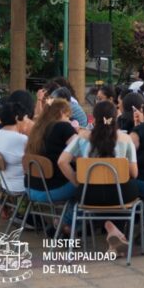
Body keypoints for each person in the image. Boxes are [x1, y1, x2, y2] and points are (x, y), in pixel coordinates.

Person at [58, 105, 138, 254]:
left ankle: (111, 229)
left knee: (95, 201)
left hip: (88, 194)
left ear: (94, 119)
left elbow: (62, 161)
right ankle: (114, 234)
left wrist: (77, 182)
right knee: (127, 189)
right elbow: (134, 173)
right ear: (115, 118)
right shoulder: (126, 139)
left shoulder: (82, 137)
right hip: (119, 195)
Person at [25, 98, 81, 208]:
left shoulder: (36, 129)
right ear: (61, 112)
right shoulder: (63, 127)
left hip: (31, 188)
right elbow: (81, 152)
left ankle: (68, 215)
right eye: (68, 116)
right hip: (53, 189)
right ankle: (71, 217)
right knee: (89, 184)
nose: (69, 120)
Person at [0, 99, 33, 195]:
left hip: (5, 184)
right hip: (22, 185)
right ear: (17, 118)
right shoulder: (21, 139)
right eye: (26, 119)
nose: (27, 122)